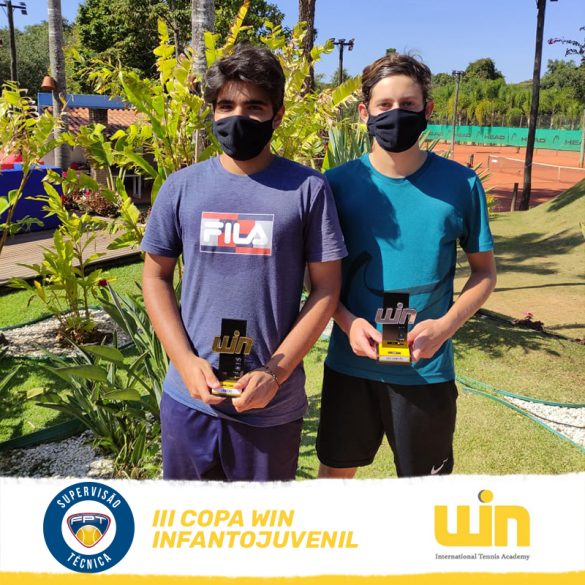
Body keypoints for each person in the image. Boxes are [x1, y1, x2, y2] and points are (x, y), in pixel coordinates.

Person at [140, 45, 346, 482]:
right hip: (190, 401)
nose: (238, 117)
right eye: (226, 106)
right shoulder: (181, 187)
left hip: (270, 406)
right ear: (213, 111)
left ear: (278, 115)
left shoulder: (308, 189)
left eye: (254, 107)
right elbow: (155, 276)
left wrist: (275, 373)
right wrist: (184, 361)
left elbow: (326, 289)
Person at [317, 53, 496, 479]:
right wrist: (347, 323)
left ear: (427, 110)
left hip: (425, 373)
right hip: (350, 368)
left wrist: (444, 327)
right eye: (384, 105)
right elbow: (317, 277)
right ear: (365, 113)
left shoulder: (462, 184)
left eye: (408, 104)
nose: (396, 114)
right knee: (333, 482)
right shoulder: (335, 185)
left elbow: (484, 272)